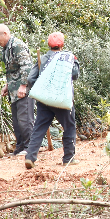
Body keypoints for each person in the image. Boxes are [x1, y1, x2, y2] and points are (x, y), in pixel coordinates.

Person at [24, 32, 80, 168]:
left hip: (44, 101)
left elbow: (31, 79)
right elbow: (75, 75)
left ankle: (30, 156)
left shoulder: (41, 59)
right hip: (62, 100)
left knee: (39, 127)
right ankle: (68, 158)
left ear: (49, 44)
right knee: (69, 127)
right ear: (62, 44)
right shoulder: (69, 57)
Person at [0, 24, 34, 156]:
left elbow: (27, 67)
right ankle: (20, 147)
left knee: (25, 120)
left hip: (23, 90)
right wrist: (7, 85)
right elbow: (12, 71)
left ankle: (29, 148)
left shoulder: (17, 46)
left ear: (5, 33)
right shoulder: (7, 48)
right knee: (17, 121)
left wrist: (23, 85)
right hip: (13, 90)